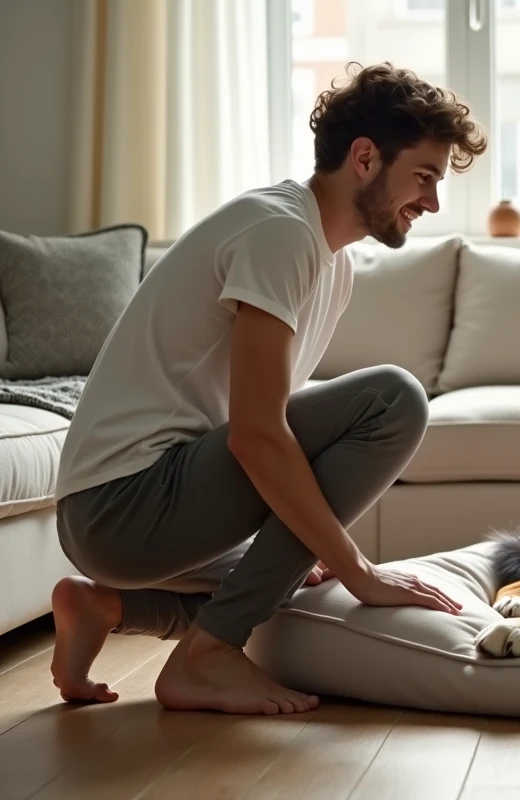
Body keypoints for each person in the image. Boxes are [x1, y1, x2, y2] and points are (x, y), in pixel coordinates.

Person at [48, 62, 487, 716]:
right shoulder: (279, 232)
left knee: (298, 580)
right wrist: (360, 569)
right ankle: (207, 656)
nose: (432, 202)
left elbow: (265, 426)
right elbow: (259, 434)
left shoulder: (331, 265)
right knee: (392, 399)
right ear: (365, 158)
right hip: (124, 505)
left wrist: (314, 552)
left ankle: (105, 606)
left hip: (134, 514)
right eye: (424, 176)